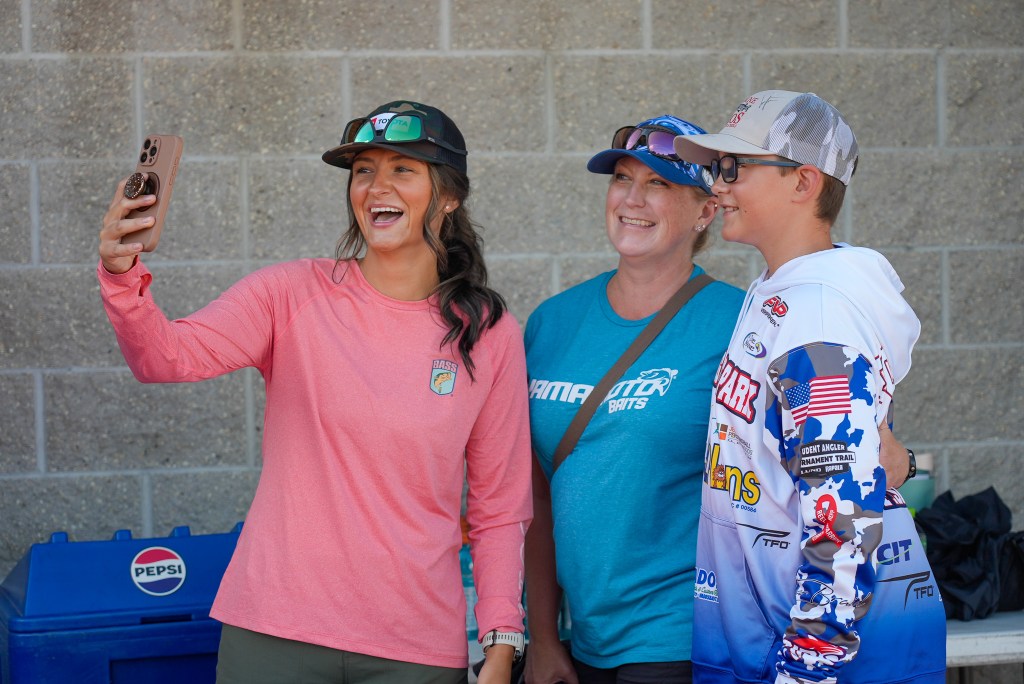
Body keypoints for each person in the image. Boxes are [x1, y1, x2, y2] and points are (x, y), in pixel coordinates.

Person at [98, 101, 531, 684]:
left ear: (449, 196)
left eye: (403, 169)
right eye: (363, 170)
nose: (377, 186)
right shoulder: (290, 293)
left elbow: (500, 508)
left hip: (416, 648)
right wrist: (121, 275)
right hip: (274, 631)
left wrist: (501, 640)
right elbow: (165, 358)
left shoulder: (488, 332)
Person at [673, 90, 946, 683]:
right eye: (717, 166)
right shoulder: (787, 290)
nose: (717, 184)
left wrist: (807, 669)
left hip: (815, 661)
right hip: (762, 636)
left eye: (734, 167)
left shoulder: (818, 314)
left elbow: (842, 512)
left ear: (803, 181)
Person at [523, 115, 746, 684]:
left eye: (659, 184)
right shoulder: (553, 323)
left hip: (683, 634)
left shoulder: (738, 323)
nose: (632, 198)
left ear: (706, 211)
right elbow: (536, 497)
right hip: (584, 638)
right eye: (622, 179)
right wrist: (542, 636)